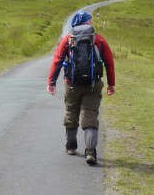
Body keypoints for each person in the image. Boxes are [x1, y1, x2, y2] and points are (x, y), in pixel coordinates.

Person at [47, 11, 115, 165]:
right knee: (89, 115)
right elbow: (109, 63)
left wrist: (51, 82)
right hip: (93, 84)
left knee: (71, 112)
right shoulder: (99, 39)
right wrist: (111, 84)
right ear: (87, 22)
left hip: (71, 83)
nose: (92, 23)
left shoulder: (68, 39)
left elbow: (57, 61)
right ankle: (90, 152)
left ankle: (71, 146)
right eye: (90, 20)